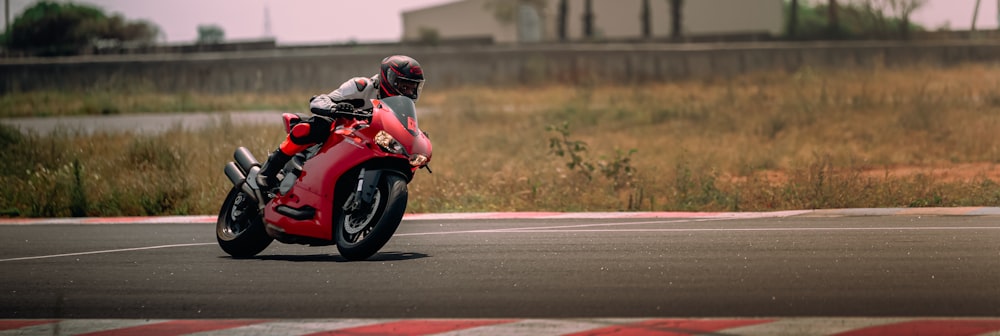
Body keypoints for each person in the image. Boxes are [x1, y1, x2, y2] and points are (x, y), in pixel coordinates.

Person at [255, 55, 426, 191]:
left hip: (365, 144)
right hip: (337, 134)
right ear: (390, 79)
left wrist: (416, 138)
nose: (409, 91)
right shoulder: (361, 86)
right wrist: (336, 108)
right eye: (405, 86)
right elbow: (320, 100)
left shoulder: (400, 108)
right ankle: (269, 170)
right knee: (316, 125)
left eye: (413, 87)